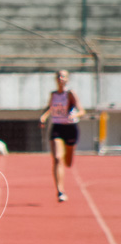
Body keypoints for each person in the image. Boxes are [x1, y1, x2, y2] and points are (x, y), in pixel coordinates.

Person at [38, 69, 85, 202]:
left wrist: (74, 115)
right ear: (56, 79)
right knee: (58, 158)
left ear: (67, 79)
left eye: (63, 76)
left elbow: (82, 110)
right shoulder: (53, 94)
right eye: (58, 76)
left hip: (70, 128)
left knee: (68, 163)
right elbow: (50, 108)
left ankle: (69, 151)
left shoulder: (70, 94)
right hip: (57, 127)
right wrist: (43, 117)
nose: (61, 78)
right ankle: (60, 191)